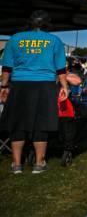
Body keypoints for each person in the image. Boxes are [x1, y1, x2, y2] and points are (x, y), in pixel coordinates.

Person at [0, 10, 68, 174]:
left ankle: (16, 165)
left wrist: (3, 86)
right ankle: (39, 163)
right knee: (41, 125)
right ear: (46, 24)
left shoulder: (15, 38)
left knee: (17, 124)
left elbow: (7, 67)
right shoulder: (54, 40)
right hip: (45, 86)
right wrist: (64, 87)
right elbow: (60, 68)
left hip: (19, 85)